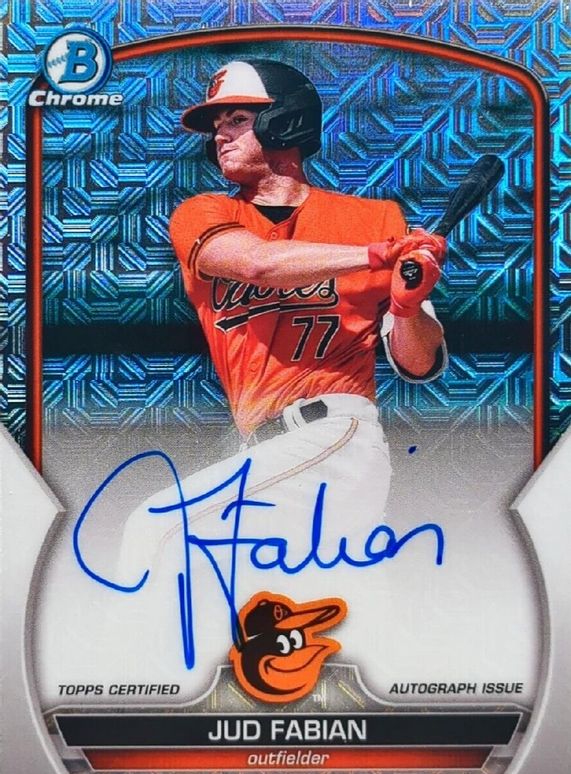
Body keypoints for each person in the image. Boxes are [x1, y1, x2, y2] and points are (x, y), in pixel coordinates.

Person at [114, 59, 447, 692]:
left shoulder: (376, 219)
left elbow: (418, 361)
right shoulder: (203, 214)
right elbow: (257, 265)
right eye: (217, 123)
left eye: (238, 118)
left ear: (286, 122)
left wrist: (407, 308)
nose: (220, 133)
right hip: (263, 451)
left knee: (157, 527)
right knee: (312, 617)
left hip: (334, 435)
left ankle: (134, 692)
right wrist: (378, 257)